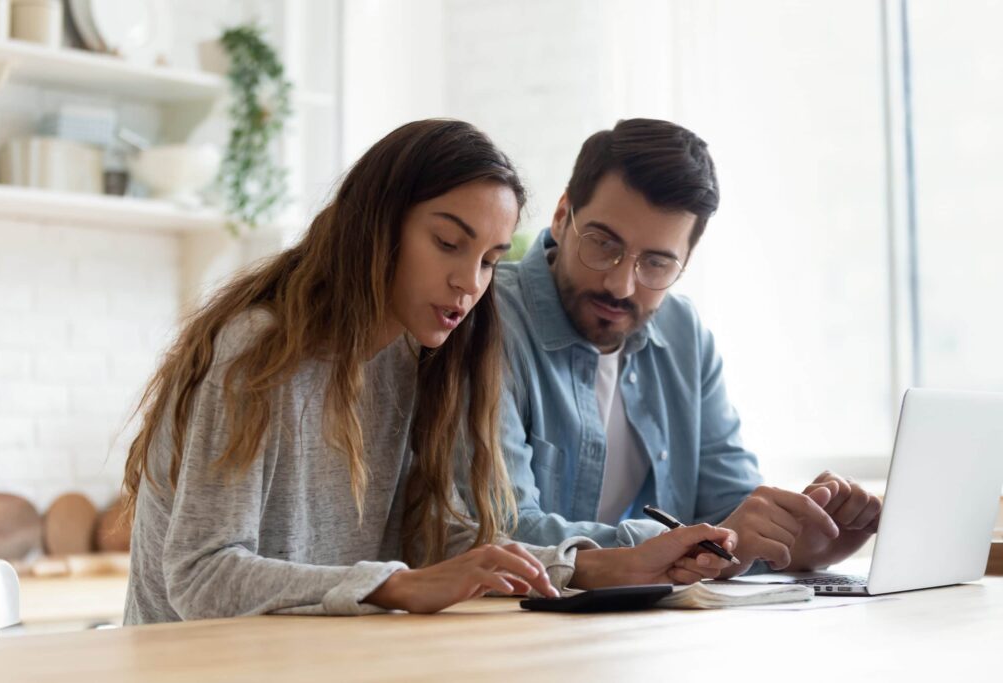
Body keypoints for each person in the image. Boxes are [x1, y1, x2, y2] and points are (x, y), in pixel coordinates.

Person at [121, 119, 738, 624]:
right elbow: (201, 577)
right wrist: (395, 587)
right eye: (448, 243)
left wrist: (602, 565)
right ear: (379, 225)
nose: (469, 284)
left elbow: (443, 541)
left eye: (490, 260)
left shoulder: (418, 361)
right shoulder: (258, 350)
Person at [484, 118, 880, 577]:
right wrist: (686, 545)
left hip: (651, 630)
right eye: (603, 243)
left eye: (656, 262)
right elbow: (500, 530)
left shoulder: (684, 334)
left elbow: (732, 511)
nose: (620, 283)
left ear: (686, 261)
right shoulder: (489, 321)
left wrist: (804, 538)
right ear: (561, 214)